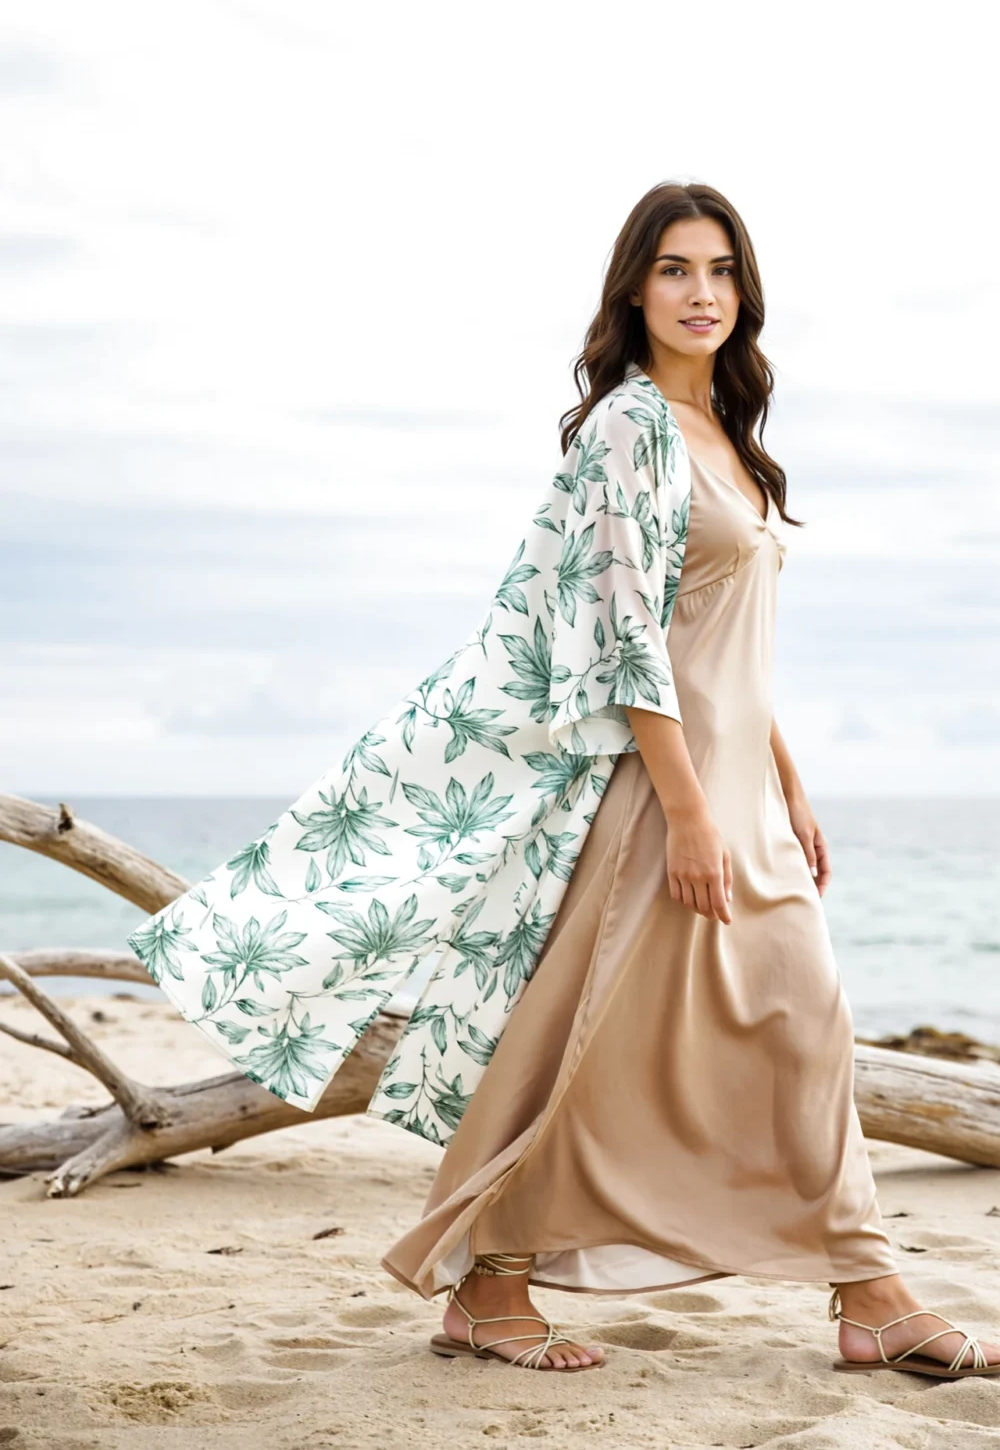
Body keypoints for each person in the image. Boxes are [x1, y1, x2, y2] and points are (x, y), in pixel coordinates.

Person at [127, 180, 1000, 1381]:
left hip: (734, 790)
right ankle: (854, 1292)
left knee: (732, 1032)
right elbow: (623, 636)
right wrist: (690, 812)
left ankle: (579, 1288)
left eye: (722, 271)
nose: (702, 294)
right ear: (632, 289)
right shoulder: (627, 429)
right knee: (660, 1034)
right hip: (662, 791)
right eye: (676, 270)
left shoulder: (727, 440)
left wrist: (785, 783)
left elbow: (725, 641)